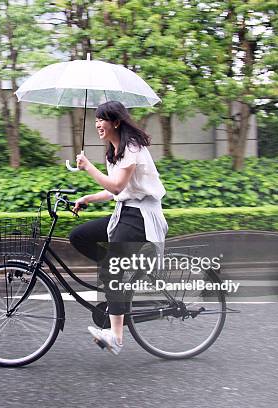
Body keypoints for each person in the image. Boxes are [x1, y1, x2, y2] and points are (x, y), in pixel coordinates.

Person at [69, 100, 168, 355]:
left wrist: (88, 167)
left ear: (116, 122)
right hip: (125, 212)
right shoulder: (113, 151)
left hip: (142, 216)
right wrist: (87, 198)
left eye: (102, 119)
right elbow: (114, 190)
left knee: (111, 270)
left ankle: (116, 337)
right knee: (79, 236)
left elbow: (117, 187)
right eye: (96, 120)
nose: (97, 124)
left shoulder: (132, 148)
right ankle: (120, 275)